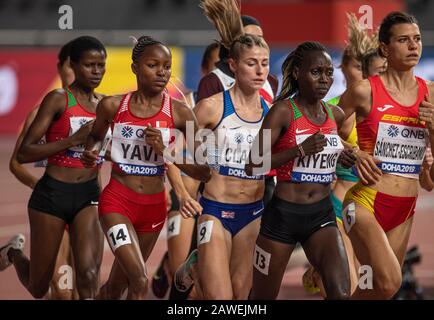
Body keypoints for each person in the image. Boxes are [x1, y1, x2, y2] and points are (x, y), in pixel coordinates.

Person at [81, 35, 211, 300]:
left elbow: (204, 171)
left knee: (118, 286)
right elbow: (94, 138)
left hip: (152, 208)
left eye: (166, 66)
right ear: (135, 68)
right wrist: (91, 152)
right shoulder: (112, 106)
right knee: (139, 279)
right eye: (153, 65)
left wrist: (167, 154)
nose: (162, 72)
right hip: (117, 202)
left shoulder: (181, 113)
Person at [246, 41, 356, 300]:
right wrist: (298, 150)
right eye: (316, 72)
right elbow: (253, 164)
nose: (324, 79)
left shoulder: (335, 114)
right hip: (283, 218)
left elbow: (330, 155)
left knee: (341, 294)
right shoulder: (283, 112)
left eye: (329, 73)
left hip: (321, 216)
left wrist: (343, 158)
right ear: (297, 73)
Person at [0, 36, 107, 299]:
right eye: (89, 65)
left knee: (89, 276)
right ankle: (13, 253)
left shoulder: (107, 105)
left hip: (88, 196)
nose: (96, 72)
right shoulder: (57, 100)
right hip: (52, 197)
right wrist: (72, 141)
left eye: (101, 65)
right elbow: (23, 154)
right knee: (41, 287)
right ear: (70, 66)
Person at [339, 11, 434, 299]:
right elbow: (323, 127)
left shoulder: (430, 94)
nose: (413, 46)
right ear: (384, 48)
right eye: (403, 40)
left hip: (404, 208)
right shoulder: (365, 91)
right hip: (365, 202)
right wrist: (353, 153)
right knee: (391, 280)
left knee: (377, 290)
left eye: (416, 39)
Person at [182, 0, 272, 300]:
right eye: (251, 63)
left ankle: (195, 276)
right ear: (233, 65)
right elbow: (178, 152)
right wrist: (184, 196)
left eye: (264, 63)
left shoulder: (272, 112)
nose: (259, 70)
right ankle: (196, 269)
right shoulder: (210, 107)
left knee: (239, 296)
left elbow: (272, 162)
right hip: (215, 212)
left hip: (254, 215)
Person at [303, 13, 387, 295]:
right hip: (340, 208)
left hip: (379, 210)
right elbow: (315, 141)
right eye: (348, 65)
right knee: (346, 287)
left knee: (377, 286)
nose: (356, 73)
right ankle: (323, 263)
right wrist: (350, 150)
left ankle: (320, 268)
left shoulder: (388, 113)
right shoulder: (336, 110)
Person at [7, 41, 78, 300]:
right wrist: (39, 187)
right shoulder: (41, 113)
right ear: (60, 68)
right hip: (53, 206)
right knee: (60, 290)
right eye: (71, 67)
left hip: (86, 206)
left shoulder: (99, 109)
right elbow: (16, 162)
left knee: (82, 289)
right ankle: (14, 254)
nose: (76, 73)